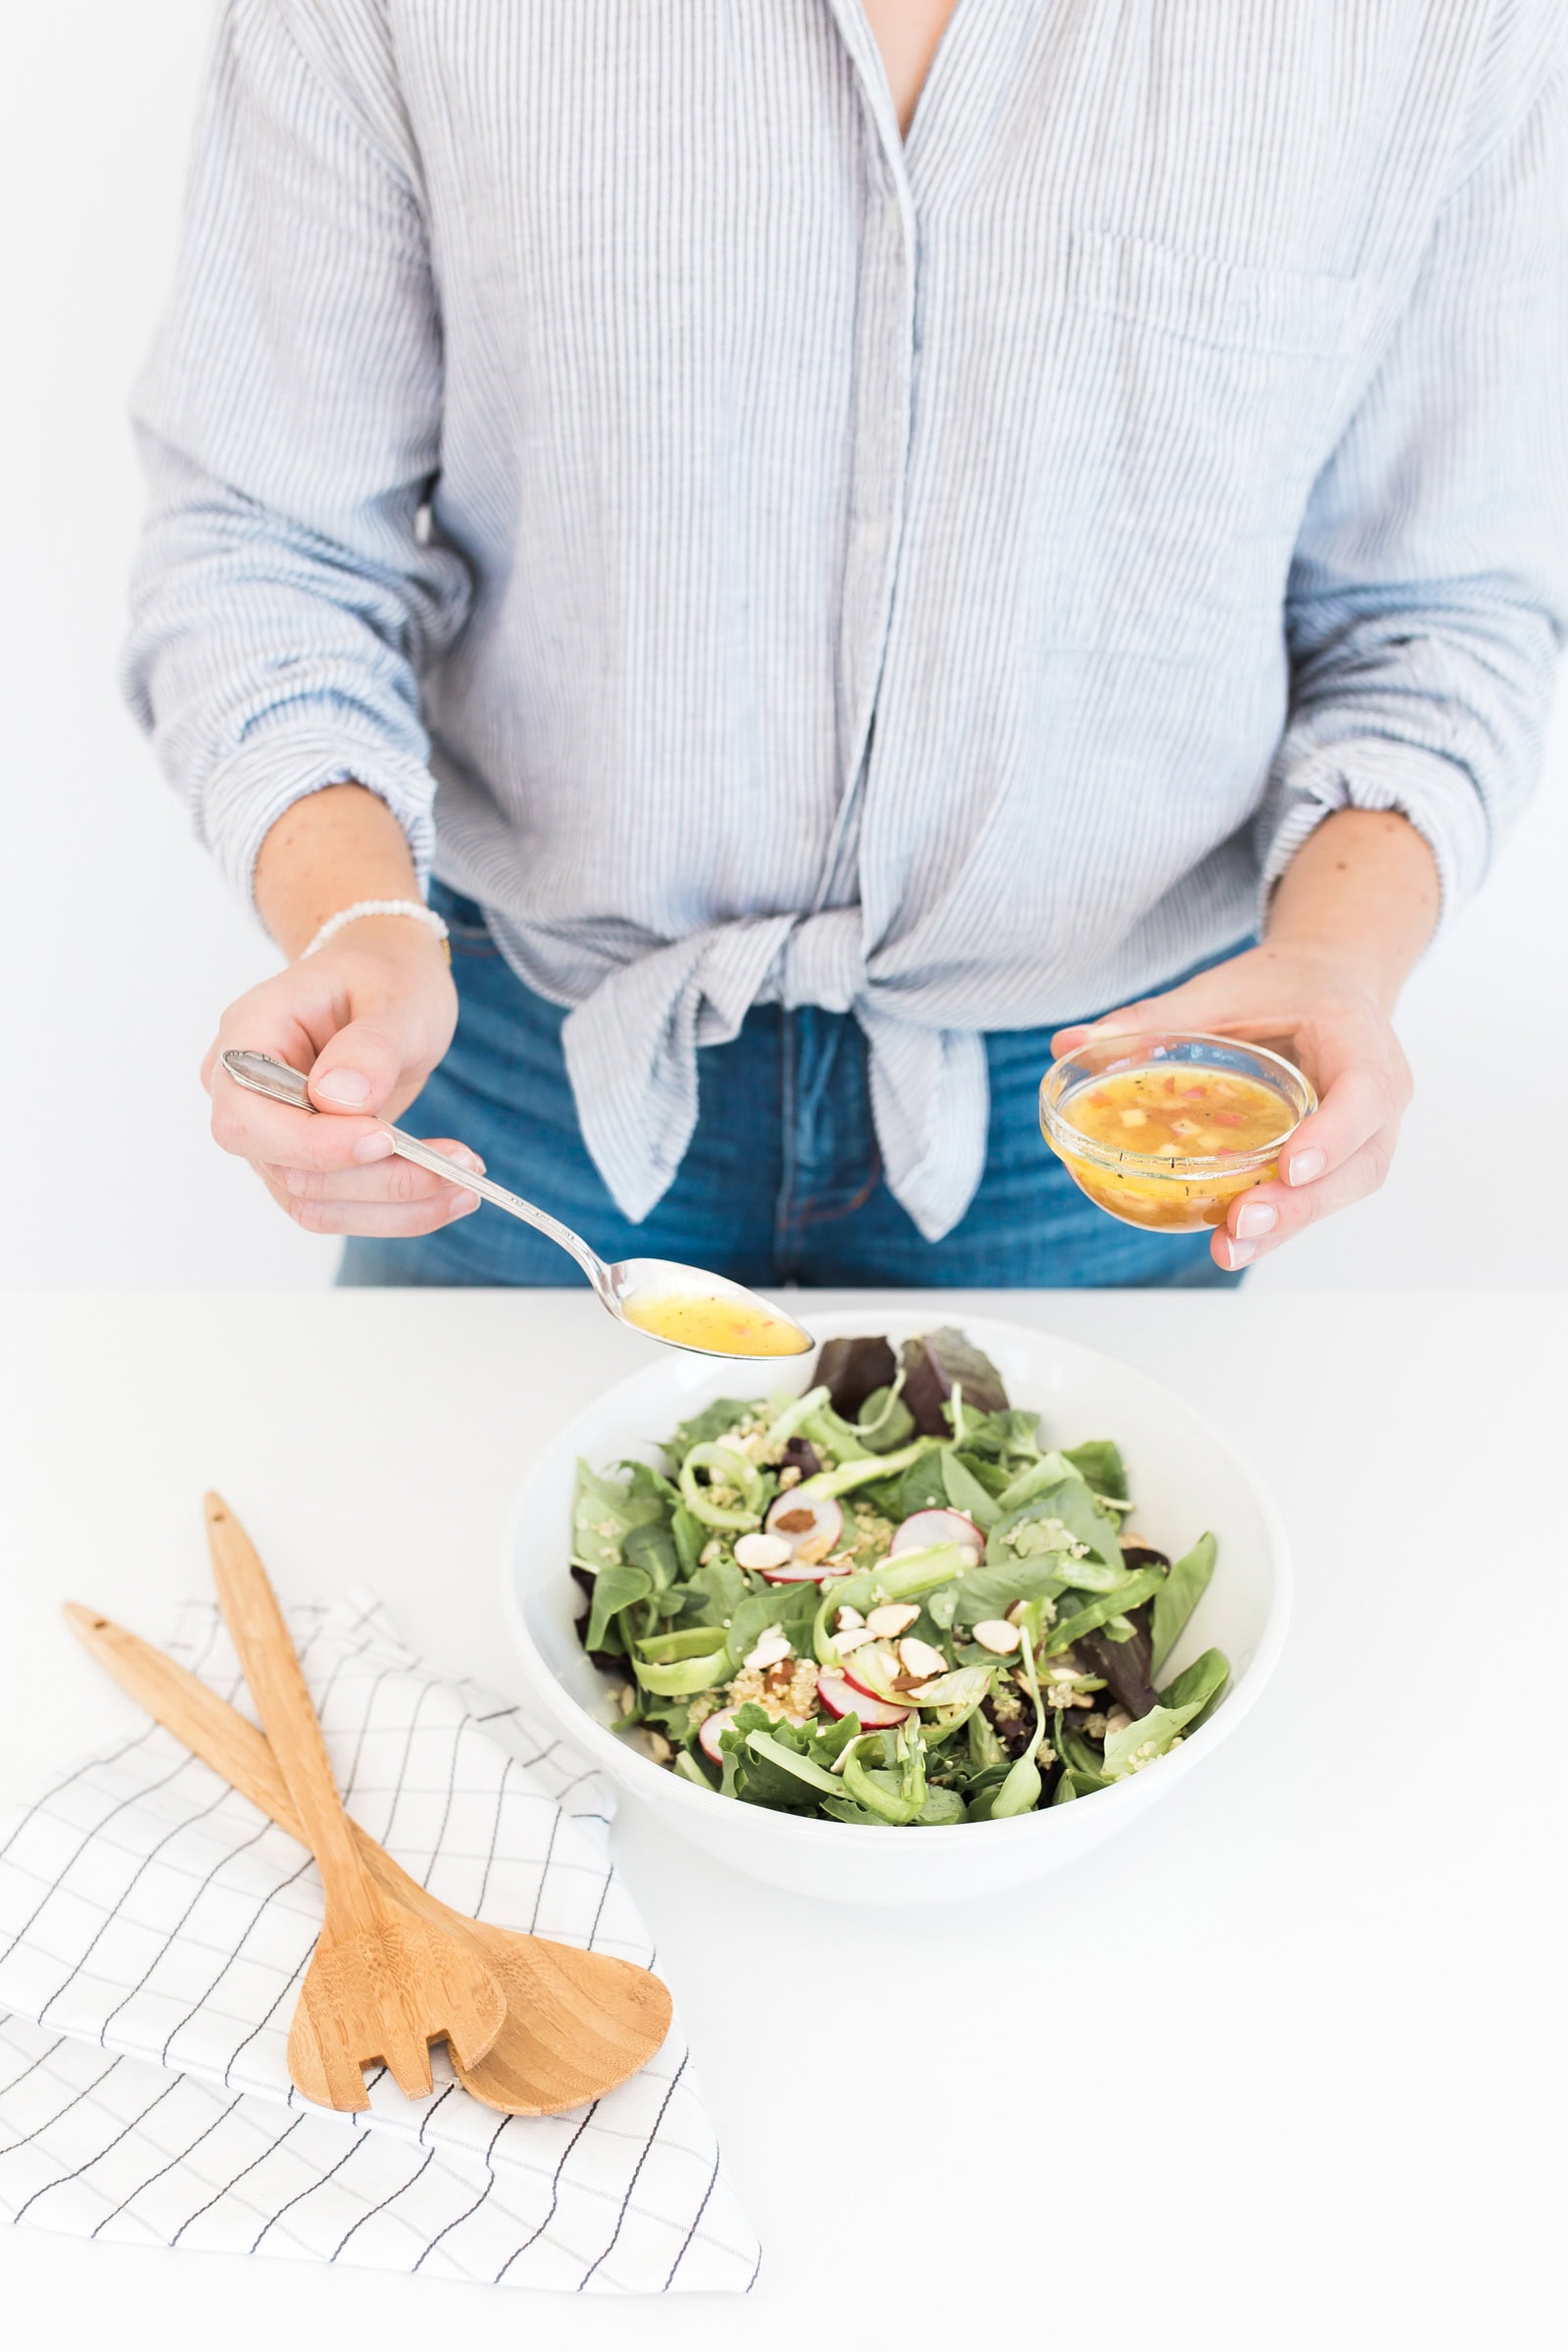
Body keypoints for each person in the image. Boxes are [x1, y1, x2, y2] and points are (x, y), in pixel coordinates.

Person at [126, 1, 1567, 1290]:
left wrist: (1335, 958)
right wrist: (355, 920)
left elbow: (1433, 610)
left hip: (1115, 1111)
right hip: (509, 1079)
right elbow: (274, 543)